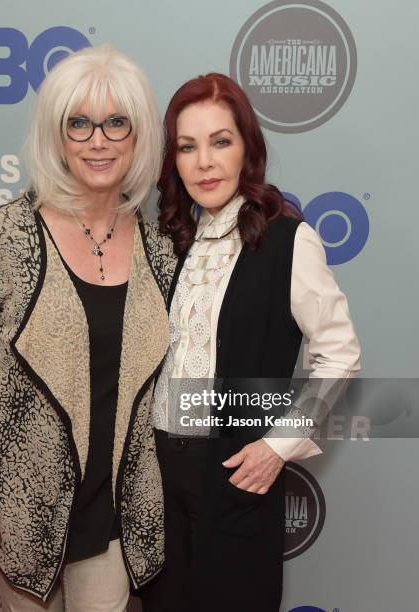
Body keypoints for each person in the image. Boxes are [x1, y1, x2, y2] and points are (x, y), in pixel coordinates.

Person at [0, 45, 176, 612]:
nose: (98, 140)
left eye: (117, 122)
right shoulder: (7, 236)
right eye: (79, 123)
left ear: (138, 136)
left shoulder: (160, 247)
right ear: (56, 135)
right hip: (23, 505)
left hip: (116, 508)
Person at [139, 73, 361, 611]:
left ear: (248, 149)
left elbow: (340, 352)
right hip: (158, 476)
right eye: (188, 147)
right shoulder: (171, 243)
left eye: (221, 141)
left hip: (234, 472)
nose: (204, 162)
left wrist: (276, 448)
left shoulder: (289, 238)